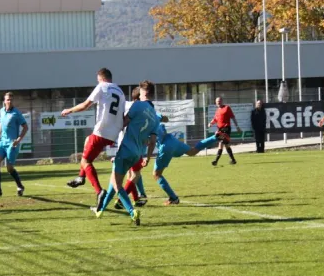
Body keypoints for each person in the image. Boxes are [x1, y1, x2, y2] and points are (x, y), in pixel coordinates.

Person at [93, 80, 159, 226]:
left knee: (117, 184)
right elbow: (153, 141)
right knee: (114, 181)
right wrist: (147, 157)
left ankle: (132, 212)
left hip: (126, 150)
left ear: (141, 91)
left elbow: (123, 123)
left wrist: (107, 135)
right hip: (138, 154)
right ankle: (100, 210)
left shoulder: (137, 105)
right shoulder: (154, 115)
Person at [62, 68, 126, 205]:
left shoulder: (102, 87)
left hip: (102, 132)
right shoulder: (120, 92)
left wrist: (69, 110)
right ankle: (80, 177)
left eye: (98, 80)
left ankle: (99, 191)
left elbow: (85, 105)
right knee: (87, 141)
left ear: (101, 78)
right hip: (113, 134)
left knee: (85, 162)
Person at [153, 117, 230, 205]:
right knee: (192, 151)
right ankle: (214, 137)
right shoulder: (153, 115)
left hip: (165, 146)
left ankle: (173, 198)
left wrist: (147, 157)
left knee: (157, 174)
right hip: (172, 140)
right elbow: (165, 120)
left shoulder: (142, 123)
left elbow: (150, 141)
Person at [0, 92, 29, 197]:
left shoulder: (16, 113)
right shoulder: (1, 111)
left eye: (11, 99)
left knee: (9, 168)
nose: (9, 101)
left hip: (12, 144)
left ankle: (20, 186)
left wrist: (18, 139)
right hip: (2, 142)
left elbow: (25, 127)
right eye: (8, 99)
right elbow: (1, 123)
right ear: (4, 101)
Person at [208, 97, 241, 165]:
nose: (218, 102)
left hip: (226, 128)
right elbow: (215, 119)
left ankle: (216, 161)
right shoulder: (217, 110)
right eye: (217, 101)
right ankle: (233, 160)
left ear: (222, 101)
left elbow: (233, 117)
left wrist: (237, 126)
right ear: (216, 102)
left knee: (221, 143)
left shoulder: (227, 108)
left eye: (219, 101)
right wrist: (210, 123)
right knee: (226, 145)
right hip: (220, 129)